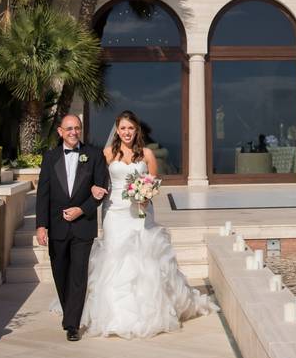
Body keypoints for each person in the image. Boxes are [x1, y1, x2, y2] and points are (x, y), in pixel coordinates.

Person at [80, 110, 217, 339]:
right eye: (123, 128)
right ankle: (114, 315)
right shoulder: (106, 154)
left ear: (137, 130)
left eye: (130, 128)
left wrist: (145, 196)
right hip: (115, 212)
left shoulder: (146, 154)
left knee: (143, 258)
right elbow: (93, 180)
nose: (126, 132)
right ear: (117, 129)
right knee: (116, 258)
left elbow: (153, 183)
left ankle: (148, 312)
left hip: (140, 213)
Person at [36, 114, 109, 342]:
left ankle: (72, 324)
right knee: (60, 273)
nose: (73, 132)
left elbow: (100, 190)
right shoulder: (50, 158)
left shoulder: (95, 155)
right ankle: (70, 313)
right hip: (56, 227)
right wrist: (41, 225)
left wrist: (82, 209)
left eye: (77, 128)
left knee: (78, 274)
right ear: (60, 131)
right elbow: (43, 194)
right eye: (69, 129)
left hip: (82, 227)